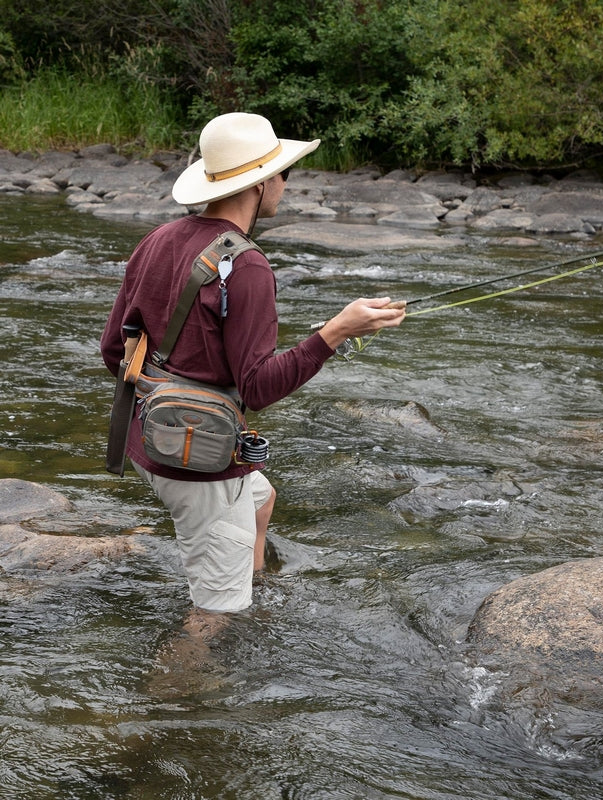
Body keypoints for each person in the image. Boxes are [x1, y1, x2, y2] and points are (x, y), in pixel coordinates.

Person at [100, 112, 405, 616]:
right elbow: (259, 390)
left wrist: (165, 399)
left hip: (145, 441)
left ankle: (251, 593)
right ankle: (179, 685)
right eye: (285, 173)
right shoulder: (247, 266)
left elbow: (115, 349)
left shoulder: (158, 239)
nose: (287, 183)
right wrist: (336, 332)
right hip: (197, 467)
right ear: (262, 183)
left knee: (262, 498)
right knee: (214, 618)